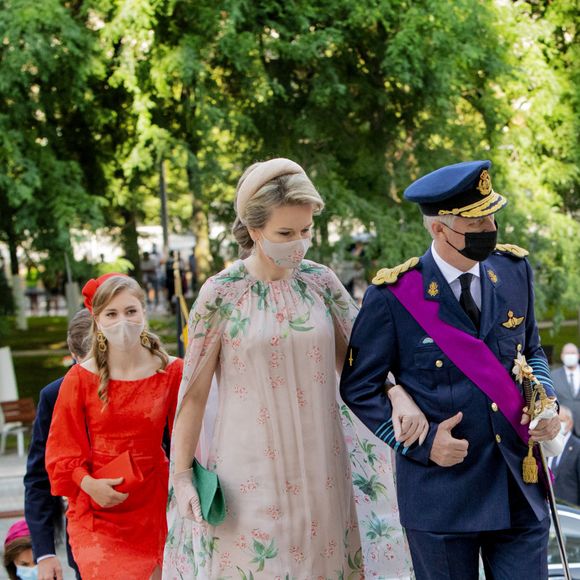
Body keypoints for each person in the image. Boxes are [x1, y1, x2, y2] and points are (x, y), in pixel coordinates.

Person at [163, 158, 426, 579]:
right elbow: (192, 394)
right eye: (285, 233)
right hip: (247, 472)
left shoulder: (322, 283)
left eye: (306, 231)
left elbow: (364, 365)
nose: (299, 244)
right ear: (253, 230)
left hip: (323, 467)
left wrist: (396, 392)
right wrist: (181, 476)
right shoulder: (220, 294)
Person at [340, 160, 561, 580]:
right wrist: (420, 447)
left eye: (492, 216)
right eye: (476, 223)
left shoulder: (514, 271)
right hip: (441, 495)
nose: (490, 228)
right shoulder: (394, 296)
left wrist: (543, 404)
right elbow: (358, 387)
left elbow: (531, 351)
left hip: (518, 480)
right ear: (438, 229)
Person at [45, 274, 183, 579]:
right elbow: (61, 451)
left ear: (144, 313)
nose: (123, 320)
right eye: (112, 313)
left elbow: (188, 440)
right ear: (97, 320)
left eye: (130, 311)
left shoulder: (172, 371)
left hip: (154, 502)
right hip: (97, 508)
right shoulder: (79, 378)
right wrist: (88, 484)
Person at [24, 309, 92, 580]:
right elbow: (39, 478)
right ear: (74, 357)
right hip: (87, 537)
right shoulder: (55, 395)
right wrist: (45, 552)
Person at [551, 406, 580, 506]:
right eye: (554, 420)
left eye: (561, 420)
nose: (557, 424)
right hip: (546, 507)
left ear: (570, 423)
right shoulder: (543, 444)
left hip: (569, 510)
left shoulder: (577, 447)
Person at [553, 343, 580, 436]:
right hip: (563, 429)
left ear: (578, 355)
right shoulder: (553, 376)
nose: (570, 355)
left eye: (573, 353)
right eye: (567, 353)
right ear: (562, 356)